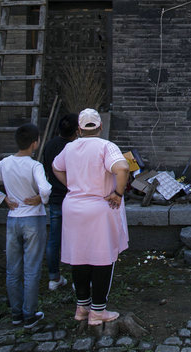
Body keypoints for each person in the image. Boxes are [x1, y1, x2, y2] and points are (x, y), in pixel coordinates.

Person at [52, 108, 130, 326]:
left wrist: (71, 185)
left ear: (79, 129)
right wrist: (118, 193)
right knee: (103, 259)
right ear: (100, 127)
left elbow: (56, 167)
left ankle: (82, 307)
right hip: (98, 208)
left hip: (73, 208)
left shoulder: (70, 148)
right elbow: (122, 168)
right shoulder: (106, 146)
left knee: (79, 257)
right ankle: (97, 311)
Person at [0, 123, 51, 329]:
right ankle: (30, 313)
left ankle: (16, 313)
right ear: (34, 143)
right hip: (33, 219)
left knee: (13, 269)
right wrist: (40, 199)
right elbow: (45, 189)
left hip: (13, 218)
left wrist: (2, 199)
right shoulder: (35, 165)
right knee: (32, 269)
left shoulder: (5, 163)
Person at [41, 113, 78, 291]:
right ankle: (78, 279)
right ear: (77, 130)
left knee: (54, 240)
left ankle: (53, 278)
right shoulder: (75, 148)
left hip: (55, 198)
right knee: (77, 240)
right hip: (73, 198)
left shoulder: (49, 146)